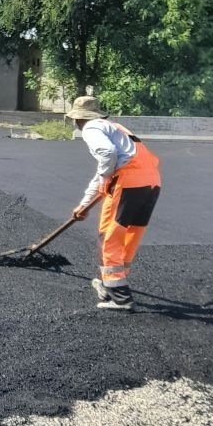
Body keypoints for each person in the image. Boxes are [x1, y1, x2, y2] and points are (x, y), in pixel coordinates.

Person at [68, 95, 161, 312]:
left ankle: (120, 298)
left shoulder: (91, 128)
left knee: (109, 237)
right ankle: (111, 282)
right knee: (129, 233)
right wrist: (85, 204)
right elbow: (105, 170)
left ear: (77, 119)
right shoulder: (115, 127)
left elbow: (107, 155)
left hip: (127, 181)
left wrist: (105, 180)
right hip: (151, 181)